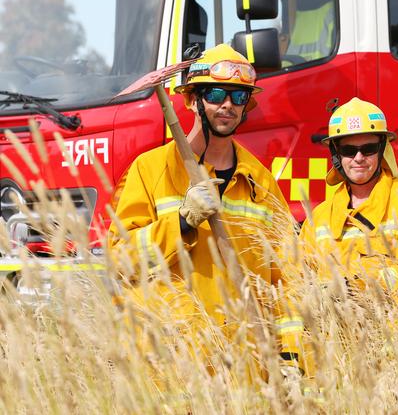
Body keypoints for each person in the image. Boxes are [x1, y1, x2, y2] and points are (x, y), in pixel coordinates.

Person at [109, 44, 307, 376]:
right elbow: (119, 262)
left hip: (246, 372)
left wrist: (291, 360)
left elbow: (287, 280)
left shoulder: (260, 181)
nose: (227, 104)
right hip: (172, 367)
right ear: (192, 100)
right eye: (215, 93)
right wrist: (181, 223)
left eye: (238, 97)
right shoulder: (151, 169)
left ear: (247, 107)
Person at [299, 97, 398, 294]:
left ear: (382, 149)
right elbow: (296, 278)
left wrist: (355, 287)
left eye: (369, 149)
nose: (359, 158)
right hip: (329, 324)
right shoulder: (319, 216)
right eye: (348, 150)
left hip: (392, 323)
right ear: (336, 154)